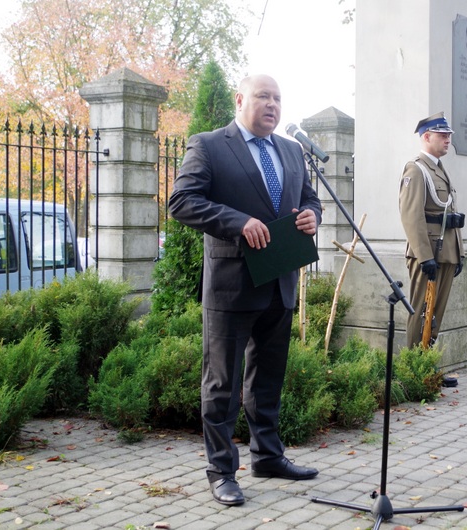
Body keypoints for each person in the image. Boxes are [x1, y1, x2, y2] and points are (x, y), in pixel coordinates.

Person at [168, 74, 322, 506]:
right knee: (222, 383)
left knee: (267, 379)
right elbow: (182, 201)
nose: (272, 105)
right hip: (232, 286)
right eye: (263, 96)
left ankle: (268, 457)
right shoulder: (209, 145)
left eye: (278, 98)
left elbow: (309, 198)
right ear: (240, 99)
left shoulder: (291, 150)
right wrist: (238, 223)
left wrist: (313, 216)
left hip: (279, 280)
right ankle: (221, 471)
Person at [399, 112, 465, 385]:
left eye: (449, 135)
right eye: (442, 135)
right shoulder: (416, 169)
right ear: (426, 137)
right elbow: (411, 216)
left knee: (435, 312)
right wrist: (424, 256)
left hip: (446, 251)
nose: (448, 139)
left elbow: (448, 214)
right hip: (429, 253)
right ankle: (414, 370)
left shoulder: (438, 168)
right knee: (421, 310)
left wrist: (459, 252)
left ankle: (427, 364)